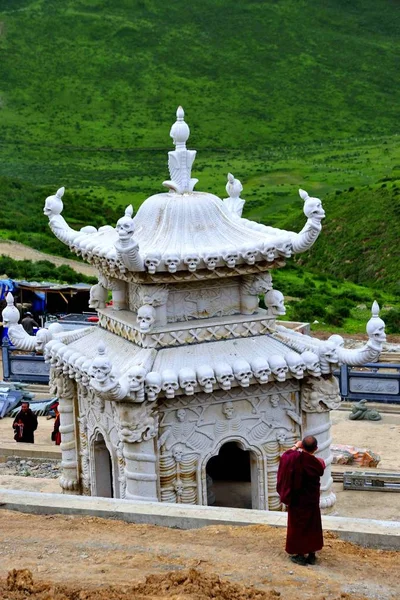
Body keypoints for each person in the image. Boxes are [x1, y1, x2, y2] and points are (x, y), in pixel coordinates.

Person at [277, 435, 325, 566]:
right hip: (311, 500)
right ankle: (311, 555)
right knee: (312, 525)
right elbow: (321, 467)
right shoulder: (317, 463)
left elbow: (285, 456)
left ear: (302, 446)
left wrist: (295, 446)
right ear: (316, 448)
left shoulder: (294, 458)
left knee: (298, 526)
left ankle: (299, 555)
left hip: (298, 499)